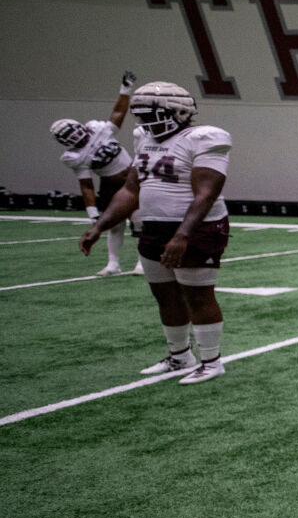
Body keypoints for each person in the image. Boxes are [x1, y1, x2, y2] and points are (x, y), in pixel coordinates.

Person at [79, 82, 234, 384]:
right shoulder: (144, 139)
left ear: (178, 111)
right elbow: (130, 189)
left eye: (152, 114)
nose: (145, 122)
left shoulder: (203, 138)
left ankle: (212, 362)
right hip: (153, 226)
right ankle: (179, 357)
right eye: (142, 116)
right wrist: (99, 225)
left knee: (197, 294)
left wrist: (182, 235)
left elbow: (206, 193)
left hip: (197, 226)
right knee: (164, 293)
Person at [50, 69, 142, 275]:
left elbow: (117, 115)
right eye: (68, 135)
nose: (74, 136)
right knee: (115, 225)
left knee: (139, 221)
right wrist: (92, 212)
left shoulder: (99, 130)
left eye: (73, 130)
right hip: (110, 186)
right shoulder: (74, 157)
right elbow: (86, 184)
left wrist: (125, 90)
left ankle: (141, 263)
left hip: (133, 179)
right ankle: (113, 264)